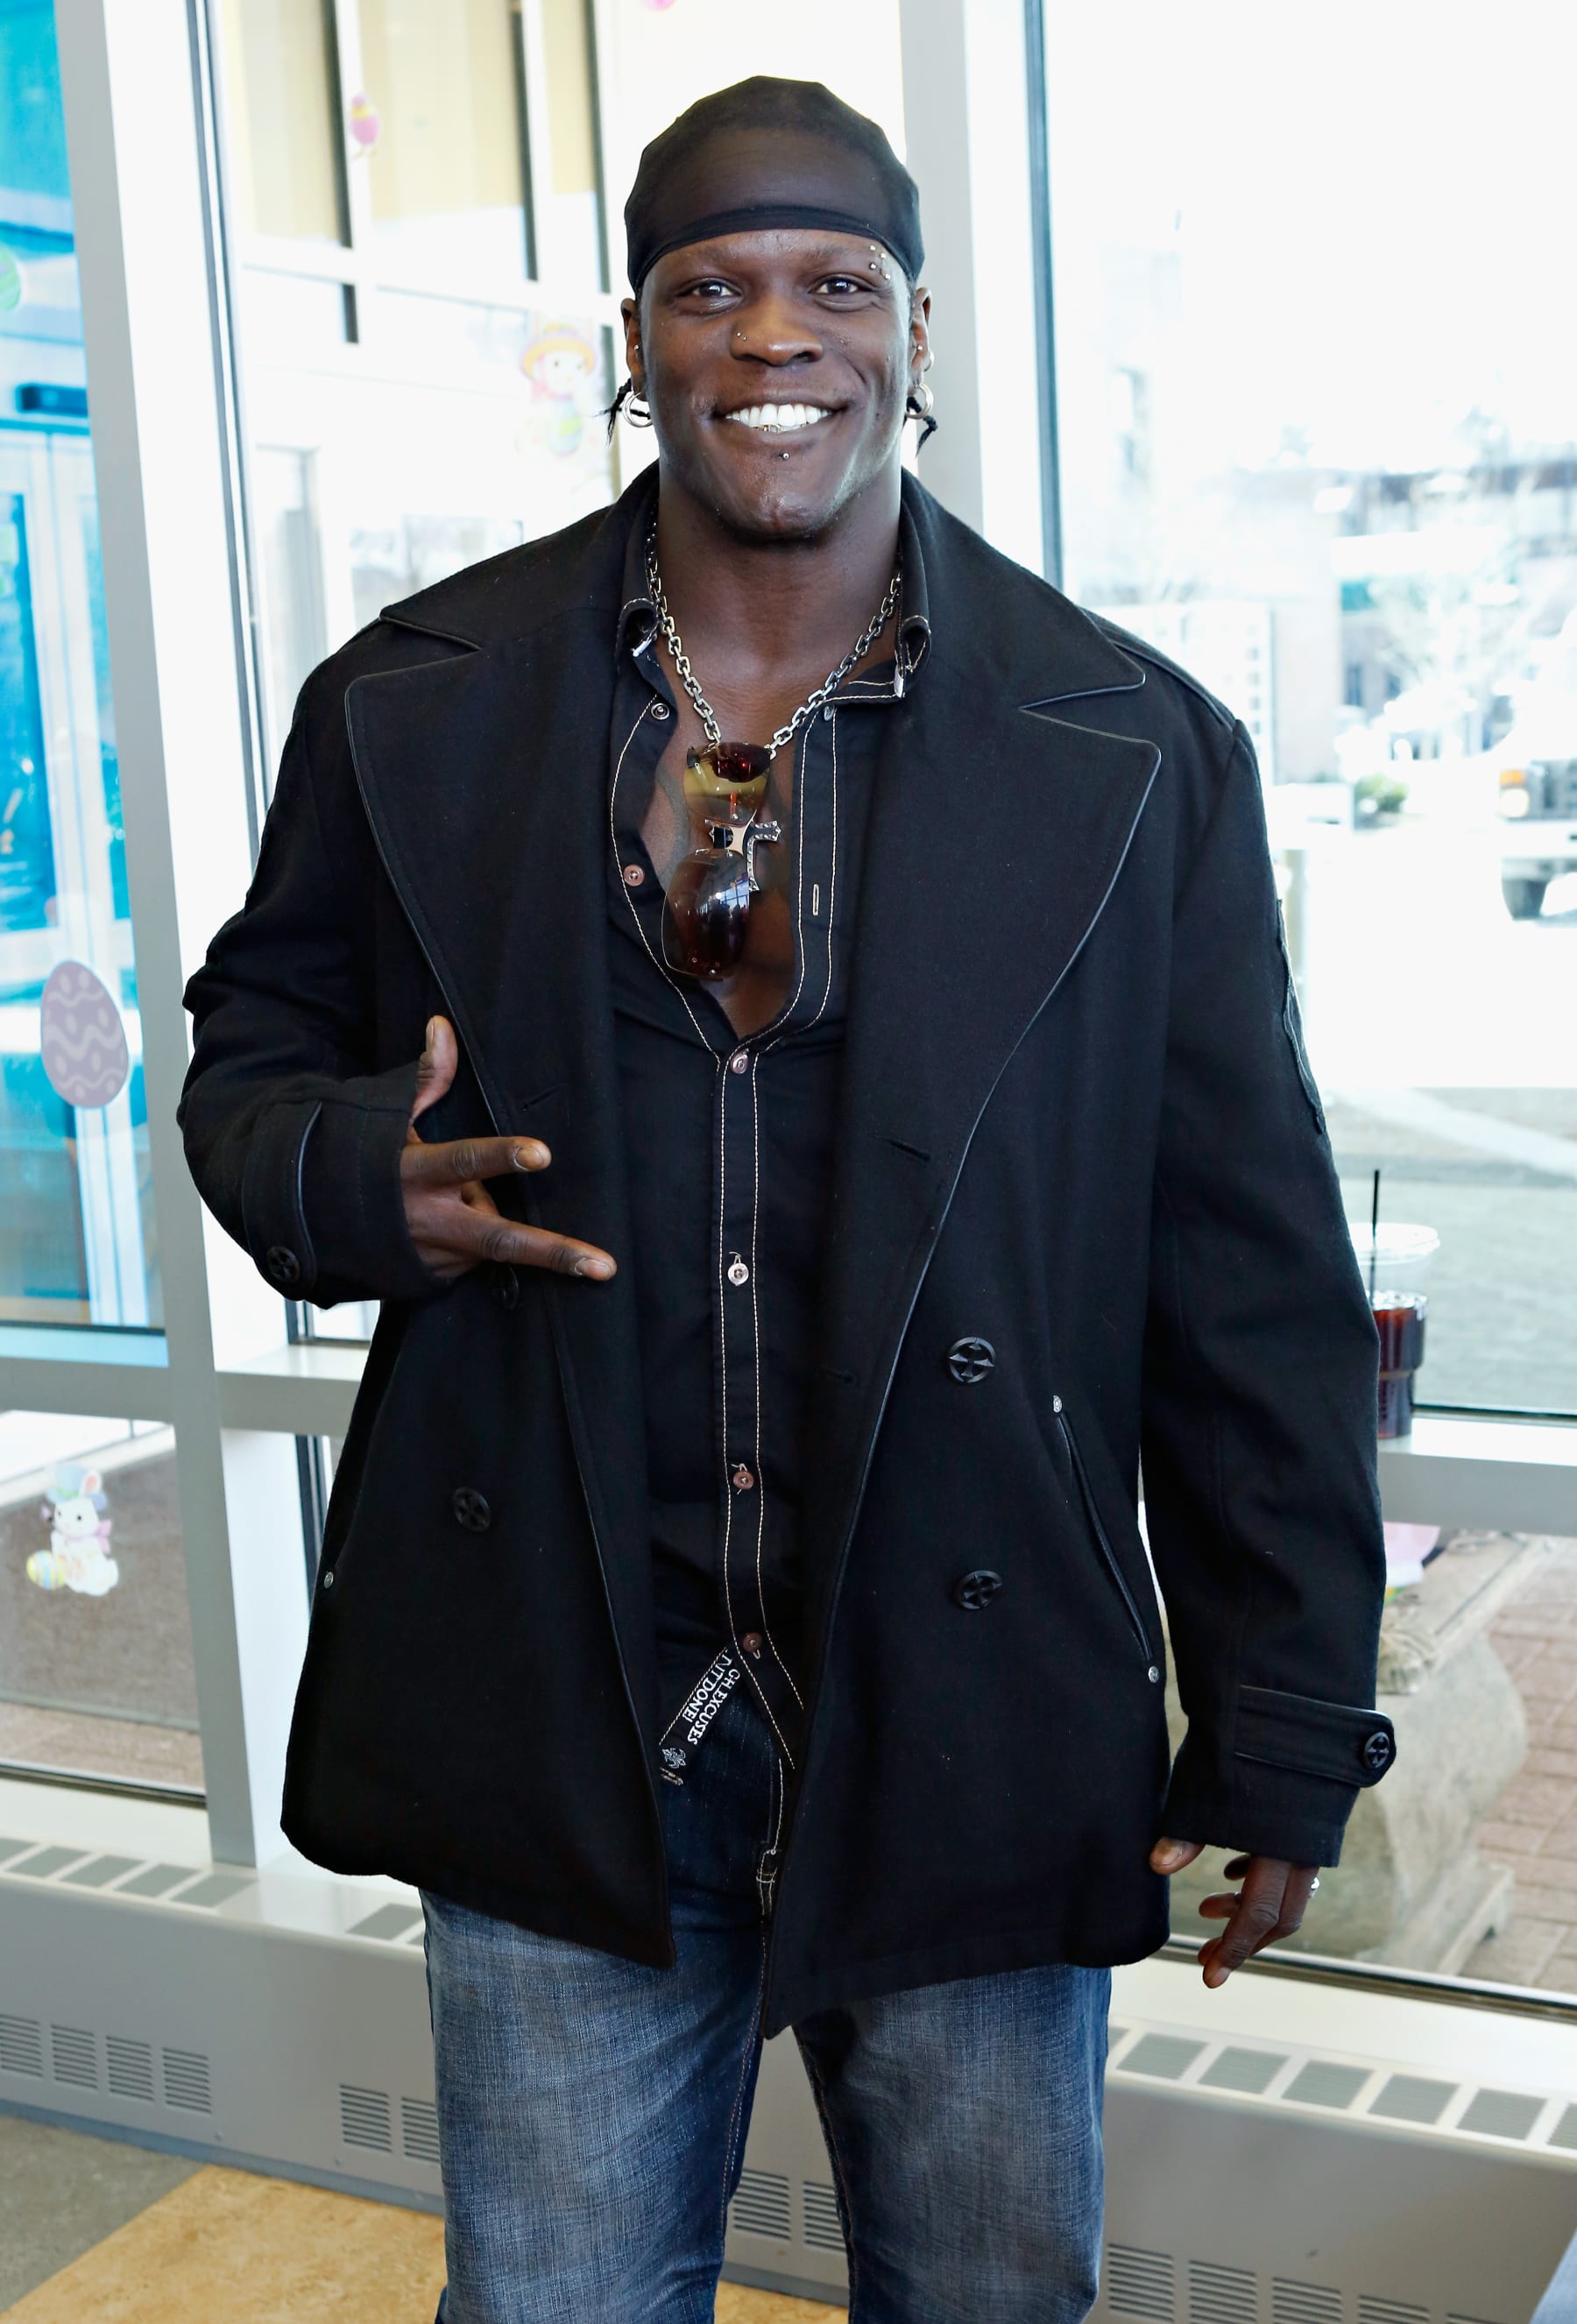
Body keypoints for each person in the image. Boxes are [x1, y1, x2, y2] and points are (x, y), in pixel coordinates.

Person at [180, 76, 1396, 2324]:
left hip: (974, 1708)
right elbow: (244, 1064)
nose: (775, 338)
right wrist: (362, 1173)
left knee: (989, 2304)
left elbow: (1252, 1288)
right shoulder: (407, 710)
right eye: (712, 287)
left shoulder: (1139, 752)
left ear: (916, 329)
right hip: (564, 1707)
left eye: (835, 285)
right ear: (632, 336)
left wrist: (1287, 1724)